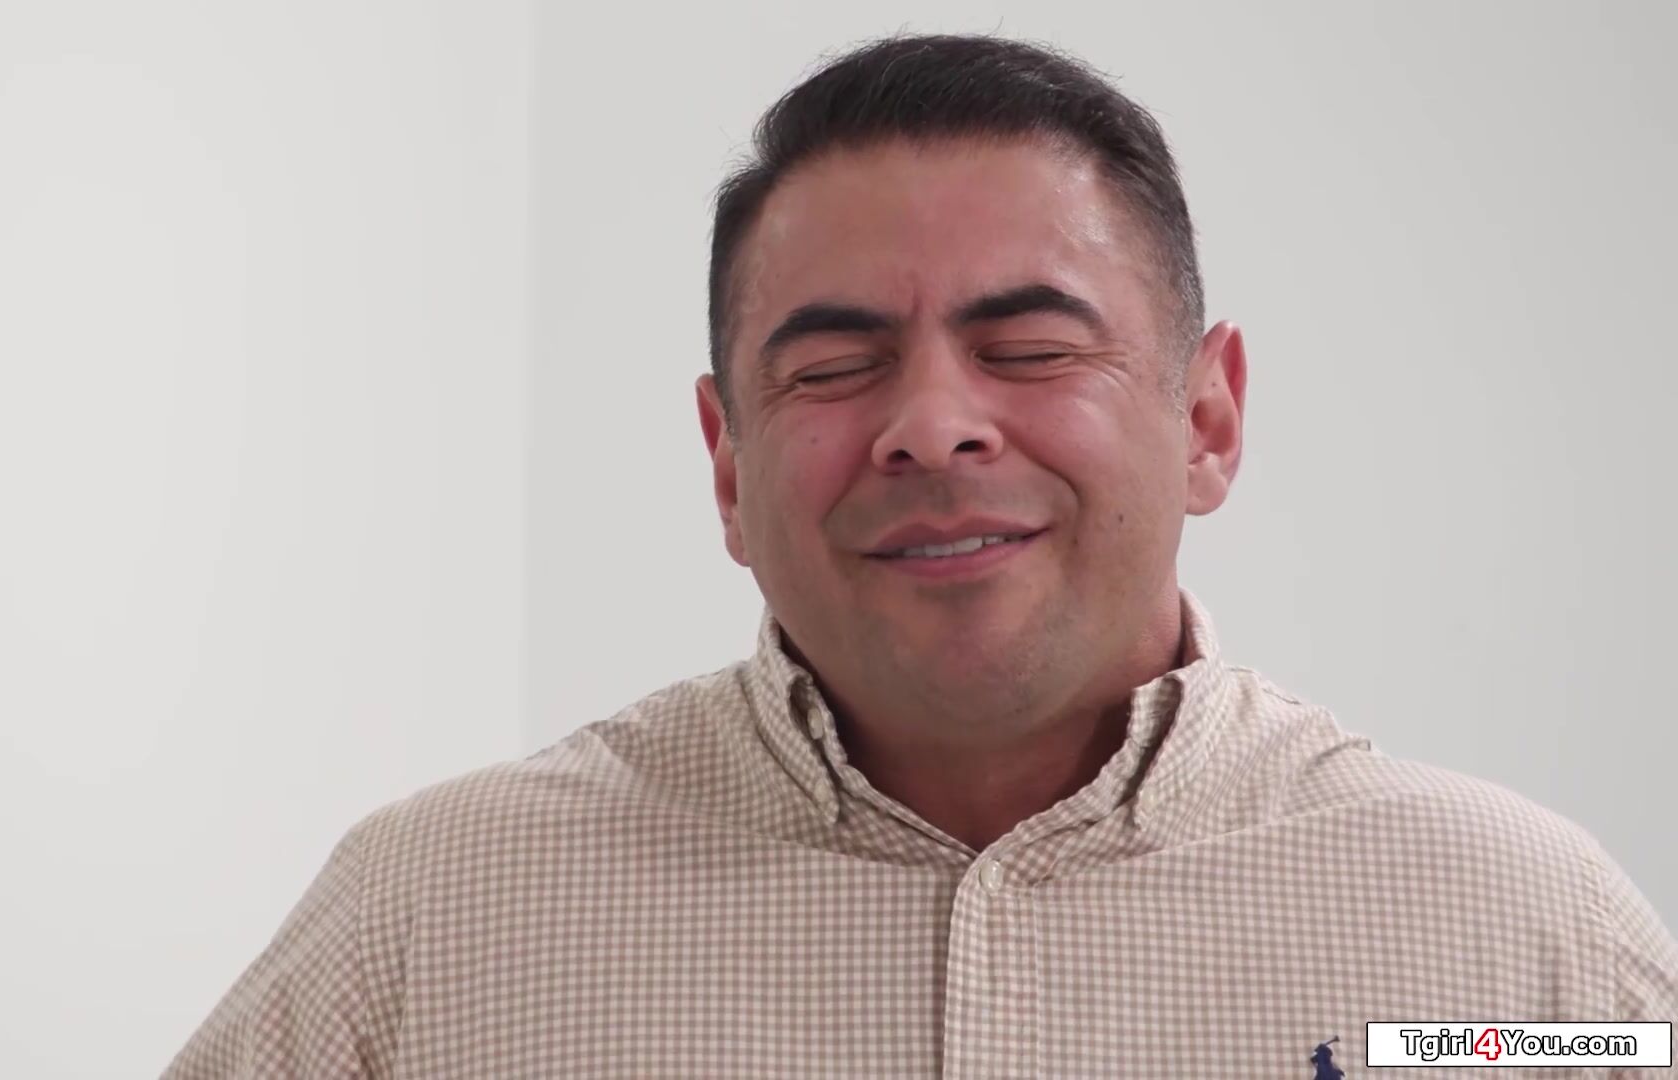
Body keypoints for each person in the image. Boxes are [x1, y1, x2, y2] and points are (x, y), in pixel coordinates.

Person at [165, 32, 1677, 1077]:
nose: (934, 427)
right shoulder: (432, 923)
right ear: (727, 465)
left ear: (1209, 419)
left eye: (1029, 347)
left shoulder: (1524, 949)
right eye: (835, 368)